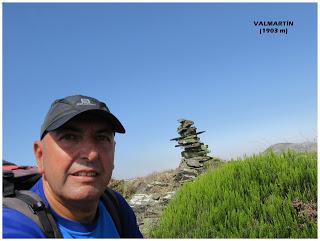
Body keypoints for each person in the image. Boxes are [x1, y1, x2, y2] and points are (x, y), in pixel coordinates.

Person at [3, 94, 143, 238]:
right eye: (69, 137)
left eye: (101, 138)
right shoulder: (13, 224)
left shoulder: (115, 205)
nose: (91, 154)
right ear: (41, 156)